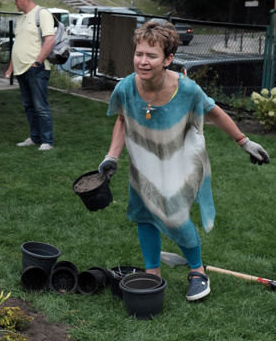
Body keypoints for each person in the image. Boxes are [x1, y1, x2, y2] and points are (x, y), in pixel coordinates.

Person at [98, 21, 270, 301]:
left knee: (176, 217)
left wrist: (244, 141)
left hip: (179, 164)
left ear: (168, 59)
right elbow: (122, 119)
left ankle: (198, 271)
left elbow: (214, 112)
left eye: (151, 56)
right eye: (139, 53)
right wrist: (112, 156)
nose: (143, 61)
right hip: (143, 165)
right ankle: (153, 273)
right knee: (145, 215)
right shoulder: (126, 87)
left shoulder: (187, 89)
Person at [5, 0, 56, 151]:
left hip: (36, 69)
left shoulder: (42, 13)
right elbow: (17, 45)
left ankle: (47, 141)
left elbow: (49, 40)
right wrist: (10, 68)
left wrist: (37, 63)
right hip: (21, 70)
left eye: (16, 0)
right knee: (29, 106)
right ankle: (35, 138)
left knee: (40, 106)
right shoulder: (21, 18)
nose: (15, 3)